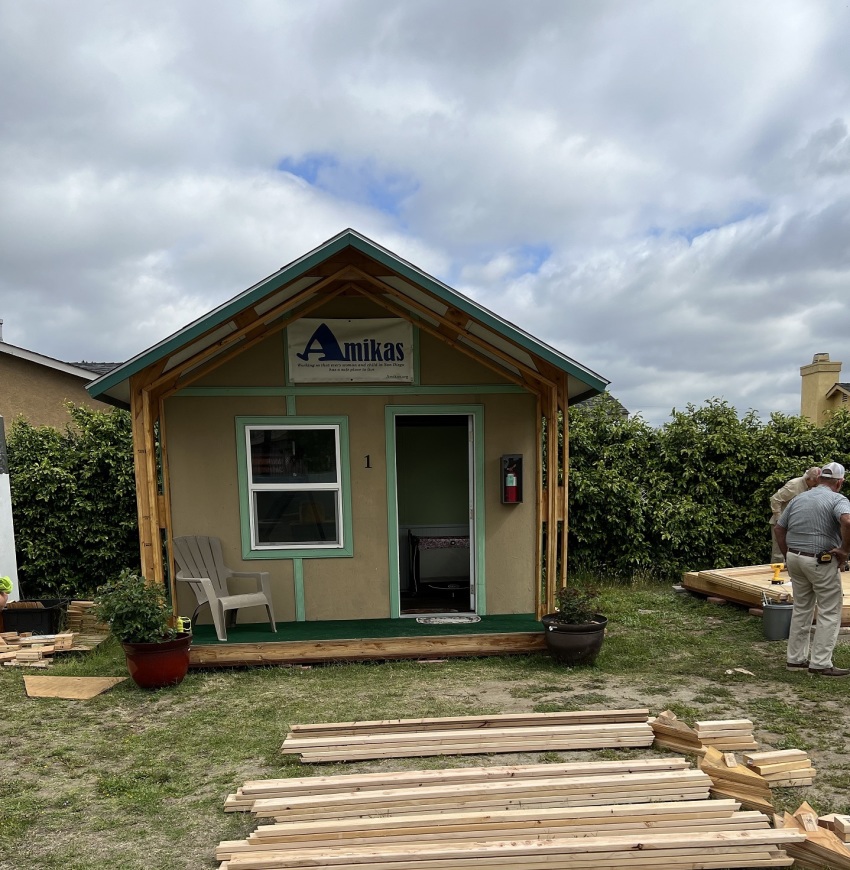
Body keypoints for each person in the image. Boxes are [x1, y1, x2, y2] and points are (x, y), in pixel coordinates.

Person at [774, 461, 850, 676]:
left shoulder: (800, 497)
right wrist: (844, 550)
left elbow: (779, 528)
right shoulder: (837, 499)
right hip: (820, 561)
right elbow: (847, 521)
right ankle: (820, 663)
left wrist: (788, 555)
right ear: (839, 482)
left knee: (802, 609)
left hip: (795, 558)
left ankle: (795, 660)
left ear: (818, 479)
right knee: (829, 610)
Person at [770, 467, 821, 561]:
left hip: (796, 524)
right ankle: (777, 574)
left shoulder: (811, 487)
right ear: (808, 479)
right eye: (815, 482)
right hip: (782, 524)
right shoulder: (794, 485)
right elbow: (775, 499)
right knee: (779, 554)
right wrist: (779, 519)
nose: (817, 485)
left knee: (794, 552)